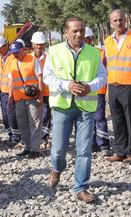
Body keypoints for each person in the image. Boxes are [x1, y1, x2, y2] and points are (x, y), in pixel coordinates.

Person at [43, 17, 107, 203]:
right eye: (75, 31)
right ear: (66, 32)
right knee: (58, 149)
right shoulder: (54, 51)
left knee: (84, 150)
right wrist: (66, 85)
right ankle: (56, 168)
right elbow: (47, 76)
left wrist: (90, 86)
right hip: (62, 107)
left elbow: (102, 76)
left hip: (85, 108)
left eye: (82, 30)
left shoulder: (94, 53)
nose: (79, 34)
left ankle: (81, 187)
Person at [104, 9, 131, 165]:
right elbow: (105, 63)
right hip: (113, 85)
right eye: (115, 20)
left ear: (126, 21)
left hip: (130, 86)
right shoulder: (107, 41)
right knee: (117, 120)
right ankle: (120, 151)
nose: (118, 23)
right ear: (111, 23)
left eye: (121, 19)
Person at [9, 40, 44, 158]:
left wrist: (40, 96)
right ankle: (27, 147)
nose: (15, 54)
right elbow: (12, 82)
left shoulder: (33, 60)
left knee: (35, 122)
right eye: (13, 52)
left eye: (16, 52)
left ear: (23, 50)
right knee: (22, 123)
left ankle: (35, 149)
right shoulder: (13, 63)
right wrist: (10, 97)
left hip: (33, 97)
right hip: (19, 98)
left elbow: (40, 79)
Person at [85, 27, 111, 155]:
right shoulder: (79, 52)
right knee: (86, 118)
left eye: (86, 39)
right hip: (84, 91)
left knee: (99, 117)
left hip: (98, 90)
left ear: (91, 39)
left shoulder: (100, 52)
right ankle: (91, 143)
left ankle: (103, 144)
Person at [0, 35, 20, 144]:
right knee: (5, 115)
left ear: (5, 45)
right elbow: (1, 74)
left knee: (11, 115)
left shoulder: (12, 57)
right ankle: (10, 134)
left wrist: (11, 94)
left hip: (12, 91)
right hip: (2, 90)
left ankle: (16, 136)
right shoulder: (0, 59)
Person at [31, 32, 52, 145]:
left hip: (47, 91)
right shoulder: (28, 58)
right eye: (37, 44)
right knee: (34, 116)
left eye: (41, 44)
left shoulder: (49, 57)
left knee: (45, 114)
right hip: (33, 92)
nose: (39, 47)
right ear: (33, 44)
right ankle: (35, 136)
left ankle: (44, 137)